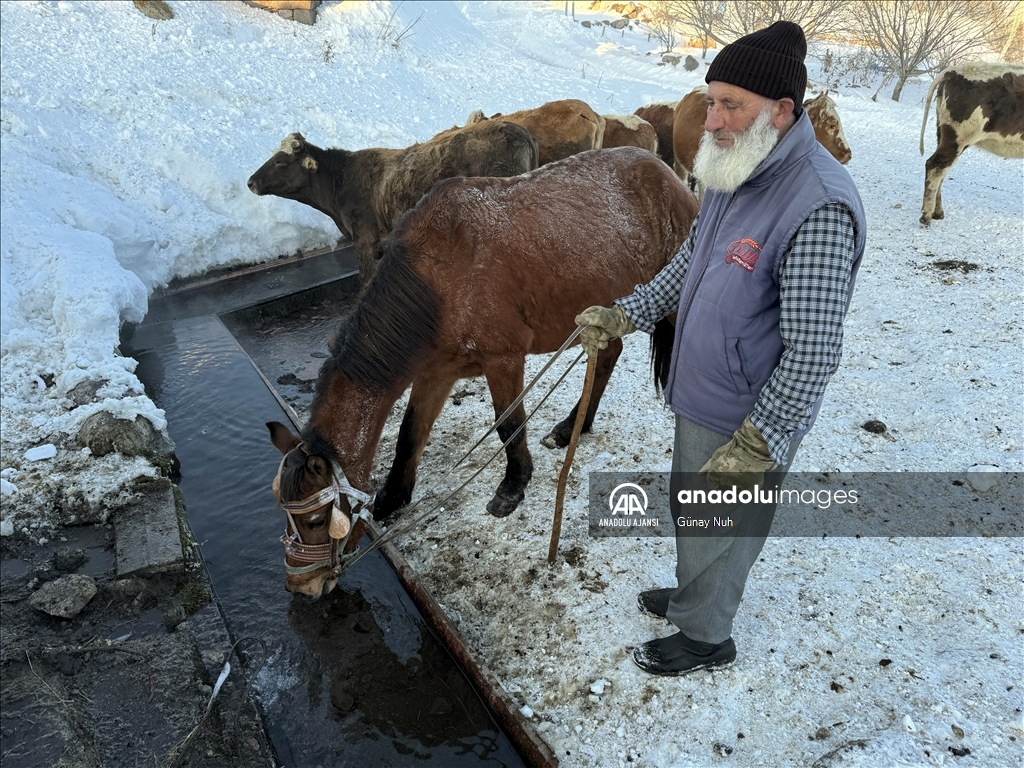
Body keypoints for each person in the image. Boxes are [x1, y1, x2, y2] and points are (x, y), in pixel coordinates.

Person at [576, 20, 866, 676]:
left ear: (781, 110)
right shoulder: (738, 166)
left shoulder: (817, 205)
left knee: (721, 527)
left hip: (749, 412)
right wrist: (629, 314)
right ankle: (692, 596)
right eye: (712, 100)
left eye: (731, 104)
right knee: (696, 509)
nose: (713, 119)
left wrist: (761, 438)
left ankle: (707, 636)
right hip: (706, 392)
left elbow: (815, 349)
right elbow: (692, 263)